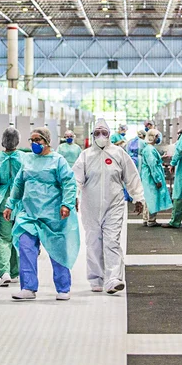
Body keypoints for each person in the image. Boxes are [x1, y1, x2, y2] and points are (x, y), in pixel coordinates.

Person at [3, 127, 79, 301]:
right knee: (26, 247)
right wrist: (10, 205)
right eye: (32, 140)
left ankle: (63, 287)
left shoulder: (58, 161)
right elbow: (18, 184)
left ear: (47, 141)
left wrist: (67, 204)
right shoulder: (27, 160)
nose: (34, 144)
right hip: (28, 213)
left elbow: (68, 183)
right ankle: (28, 287)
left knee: (57, 251)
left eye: (38, 140)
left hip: (52, 214)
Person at [73, 119, 144, 294]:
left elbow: (132, 177)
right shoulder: (86, 155)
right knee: (93, 243)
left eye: (104, 132)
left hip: (114, 205)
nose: (101, 136)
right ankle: (96, 278)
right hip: (90, 206)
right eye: (97, 133)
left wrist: (138, 198)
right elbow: (75, 179)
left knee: (112, 241)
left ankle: (113, 278)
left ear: (109, 134)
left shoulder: (119, 154)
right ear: (92, 135)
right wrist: (73, 196)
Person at [0, 127, 24, 287]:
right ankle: (16, 272)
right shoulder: (24, 158)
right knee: (19, 237)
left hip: (2, 203)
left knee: (3, 238)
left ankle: (6, 272)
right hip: (20, 203)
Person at [140, 129, 173, 227]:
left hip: (148, 177)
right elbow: (153, 166)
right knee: (152, 198)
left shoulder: (149, 148)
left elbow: (153, 161)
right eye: (158, 136)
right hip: (151, 177)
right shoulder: (150, 149)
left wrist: (161, 158)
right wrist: (157, 180)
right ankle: (151, 220)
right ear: (154, 137)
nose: (159, 139)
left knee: (148, 198)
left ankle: (146, 219)